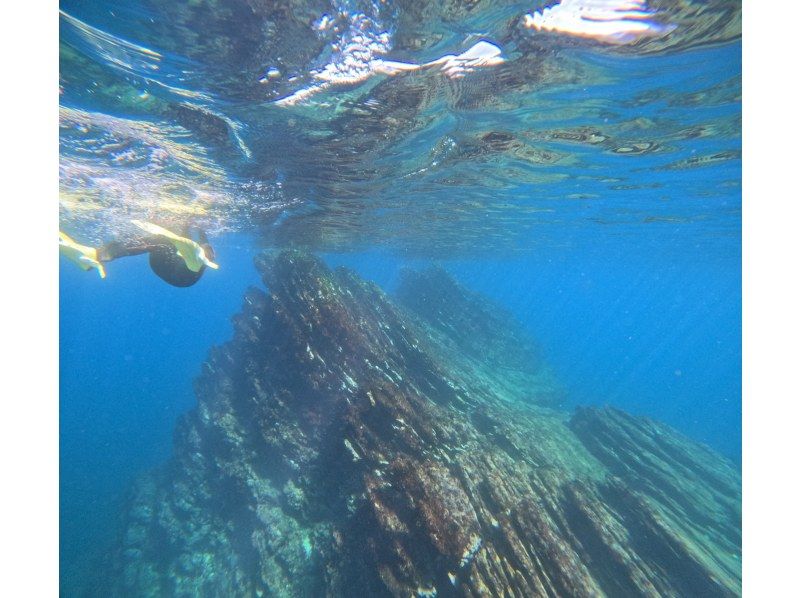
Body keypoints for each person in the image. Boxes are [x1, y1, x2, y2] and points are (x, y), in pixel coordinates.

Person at [59, 220, 218, 287]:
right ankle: (99, 255)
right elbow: (193, 235)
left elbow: (196, 237)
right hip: (170, 266)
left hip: (179, 276)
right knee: (158, 242)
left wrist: (198, 231)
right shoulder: (177, 236)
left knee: (159, 243)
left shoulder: (179, 238)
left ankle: (100, 255)